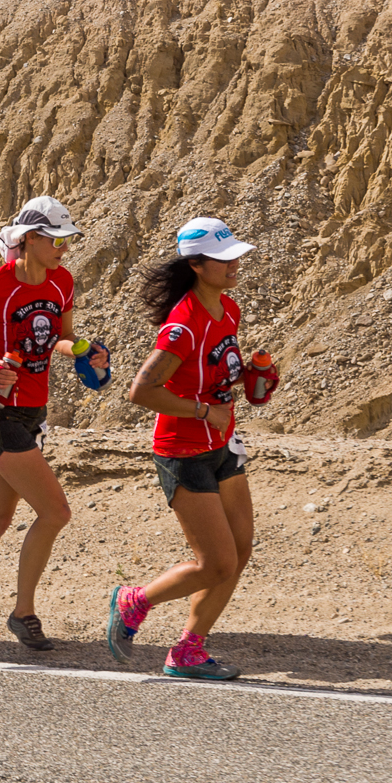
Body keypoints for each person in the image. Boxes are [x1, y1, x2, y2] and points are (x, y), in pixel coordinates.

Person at [0, 195, 108, 651]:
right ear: (29, 239)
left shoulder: (62, 281)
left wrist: (86, 351)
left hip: (32, 414)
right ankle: (23, 613)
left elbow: (62, 340)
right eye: (55, 240)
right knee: (56, 512)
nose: (64, 249)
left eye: (66, 241)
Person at [107, 216, 263, 681]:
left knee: (239, 550)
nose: (235, 264)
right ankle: (134, 601)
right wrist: (200, 411)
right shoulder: (182, 326)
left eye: (234, 254)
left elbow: (215, 373)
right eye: (223, 258)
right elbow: (141, 391)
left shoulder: (227, 309)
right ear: (197, 265)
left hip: (223, 444)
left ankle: (189, 650)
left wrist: (250, 378)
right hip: (184, 450)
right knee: (215, 563)